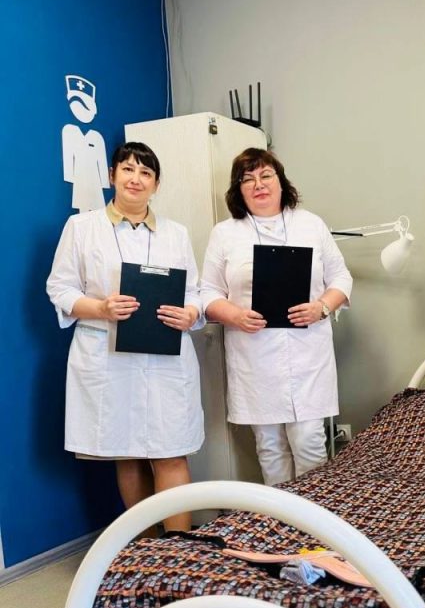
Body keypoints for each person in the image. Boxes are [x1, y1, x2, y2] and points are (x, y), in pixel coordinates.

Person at [47, 141, 204, 532]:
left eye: (146, 172)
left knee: (172, 452)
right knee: (127, 452)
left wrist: (191, 313)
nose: (136, 178)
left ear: (156, 184)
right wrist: (100, 308)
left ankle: (179, 550)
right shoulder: (81, 228)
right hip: (108, 354)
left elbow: (194, 293)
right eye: (128, 169)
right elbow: (60, 288)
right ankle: (145, 548)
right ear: (112, 175)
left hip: (165, 356)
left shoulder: (176, 233)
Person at [201, 148, 352, 486]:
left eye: (266, 175)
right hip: (254, 355)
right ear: (238, 190)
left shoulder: (310, 224)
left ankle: (313, 515)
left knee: (310, 442)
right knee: (269, 448)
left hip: (307, 352)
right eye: (248, 179)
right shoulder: (225, 233)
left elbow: (342, 278)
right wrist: (234, 315)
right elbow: (207, 292)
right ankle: (279, 517)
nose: (258, 184)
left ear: (281, 182)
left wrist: (321, 307)